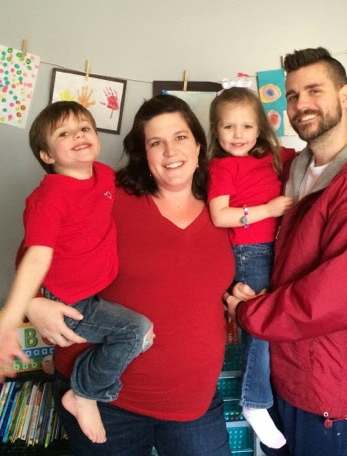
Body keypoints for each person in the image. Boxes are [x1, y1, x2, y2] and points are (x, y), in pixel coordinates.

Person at [224, 47, 347, 456]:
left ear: (345, 96)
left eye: (315, 90)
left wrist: (250, 312)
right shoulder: (296, 172)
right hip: (292, 374)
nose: (302, 105)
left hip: (331, 388)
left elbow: (340, 297)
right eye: (293, 96)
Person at [24, 94, 236, 456]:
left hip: (194, 401)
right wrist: (32, 303)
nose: (170, 151)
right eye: (156, 142)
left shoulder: (225, 209)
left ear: (199, 144)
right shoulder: (111, 197)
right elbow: (37, 247)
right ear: (143, 153)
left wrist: (243, 296)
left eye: (180, 137)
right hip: (105, 402)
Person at [0, 101, 154, 444]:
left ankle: (56, 362)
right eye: (64, 133)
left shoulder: (104, 175)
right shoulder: (49, 198)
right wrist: (9, 323)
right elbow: (35, 257)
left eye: (85, 128)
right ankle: (84, 393)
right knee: (137, 332)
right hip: (69, 302)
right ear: (47, 155)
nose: (78, 135)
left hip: (93, 292)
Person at [207, 87, 294, 449]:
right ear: (216, 131)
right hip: (248, 252)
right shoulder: (222, 166)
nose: (238, 134)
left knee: (275, 322)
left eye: (246, 126)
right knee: (260, 325)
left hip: (277, 250)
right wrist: (269, 210)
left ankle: (265, 397)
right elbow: (219, 214)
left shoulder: (273, 157)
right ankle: (255, 401)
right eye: (229, 127)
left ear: (259, 128)